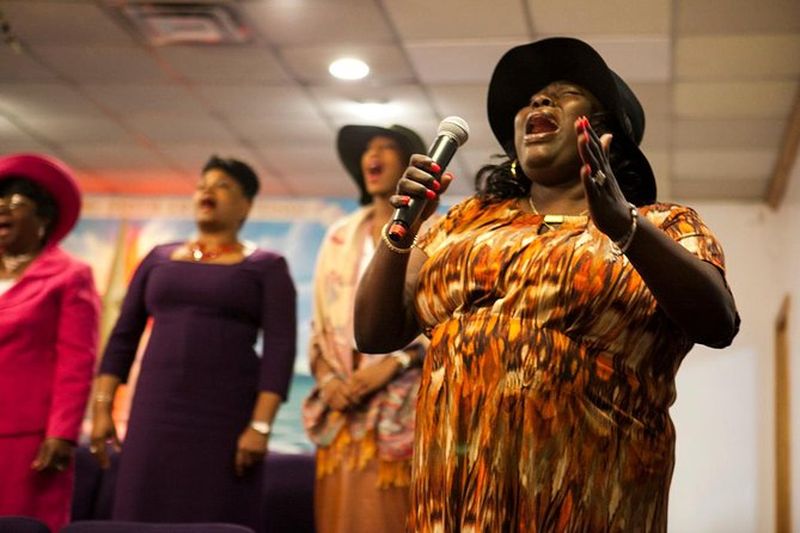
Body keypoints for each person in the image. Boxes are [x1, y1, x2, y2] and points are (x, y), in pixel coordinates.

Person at [353, 37, 740, 531]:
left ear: (605, 133)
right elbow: (373, 333)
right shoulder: (463, 222)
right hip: (454, 499)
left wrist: (624, 227)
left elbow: (718, 322)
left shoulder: (664, 225)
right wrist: (404, 227)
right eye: (532, 98)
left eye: (565, 93)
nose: (538, 100)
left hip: (590, 495)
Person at [90, 156, 297, 532]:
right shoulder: (158, 258)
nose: (207, 191)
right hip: (154, 412)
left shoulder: (267, 266)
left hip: (225, 419)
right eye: (202, 185)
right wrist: (102, 406)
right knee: (139, 508)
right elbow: (123, 336)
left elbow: (280, 351)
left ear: (246, 204)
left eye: (222, 185)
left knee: (215, 515)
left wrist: (261, 426)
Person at [302, 125, 434, 533]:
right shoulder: (339, 235)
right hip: (342, 404)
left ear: (411, 162)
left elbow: (442, 323)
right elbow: (320, 325)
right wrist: (328, 380)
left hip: (406, 404)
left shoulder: (434, 232)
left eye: (386, 147)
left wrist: (394, 364)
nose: (372, 156)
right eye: (367, 149)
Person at [0, 153, 100, 532]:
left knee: (23, 523)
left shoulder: (70, 276)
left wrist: (62, 433)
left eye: (16, 203)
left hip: (27, 437)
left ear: (44, 218)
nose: (2, 208)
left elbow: (78, 360)